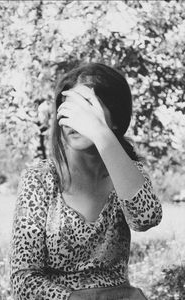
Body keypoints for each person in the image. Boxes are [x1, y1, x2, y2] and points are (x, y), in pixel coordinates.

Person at [9, 62, 162, 300]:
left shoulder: (129, 174)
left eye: (87, 108)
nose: (74, 119)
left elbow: (146, 218)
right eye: (67, 109)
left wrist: (101, 133)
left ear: (115, 118)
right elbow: (23, 280)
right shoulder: (40, 179)